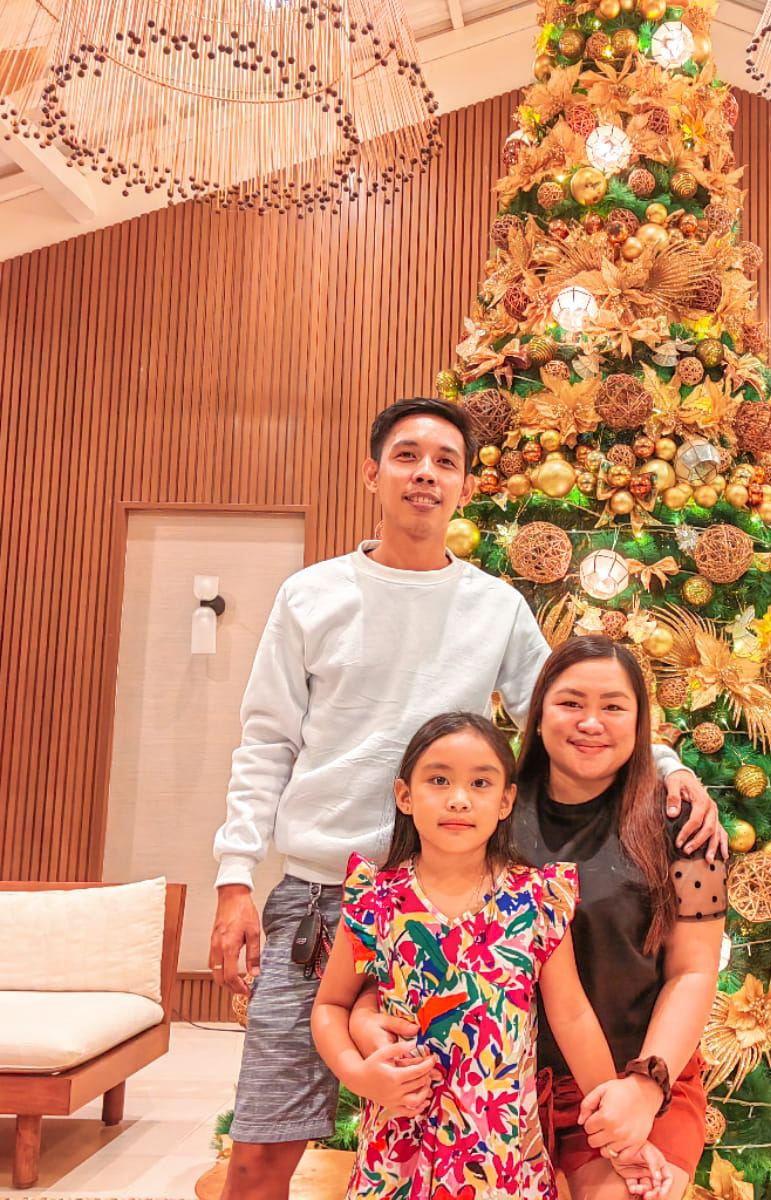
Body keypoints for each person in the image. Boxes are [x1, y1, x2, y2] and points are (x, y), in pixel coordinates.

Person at [209, 398, 726, 1198]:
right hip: (324, 901)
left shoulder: (494, 606)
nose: (426, 474)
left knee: (454, 1142)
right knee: (261, 1153)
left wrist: (667, 764)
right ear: (373, 472)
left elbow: (562, 701)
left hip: (455, 902)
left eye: (446, 462)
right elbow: (267, 740)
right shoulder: (311, 596)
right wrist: (236, 875)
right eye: (408, 456)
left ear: (463, 485)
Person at [354, 637, 727, 1200]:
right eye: (571, 702)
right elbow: (409, 929)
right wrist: (367, 1022)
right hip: (488, 1084)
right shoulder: (489, 807)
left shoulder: (688, 829)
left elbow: (694, 972)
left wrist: (645, 1088)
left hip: (627, 1075)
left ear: (640, 718)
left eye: (614, 706)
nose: (591, 723)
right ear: (537, 710)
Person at [312, 711, 671, 1200]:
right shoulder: (374, 896)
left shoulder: (535, 900)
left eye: (480, 783)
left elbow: (571, 1015)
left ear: (506, 801)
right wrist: (359, 1076)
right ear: (405, 796)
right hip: (396, 1159)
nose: (459, 798)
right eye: (439, 780)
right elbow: (331, 1006)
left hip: (503, 1163)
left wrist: (619, 1133)